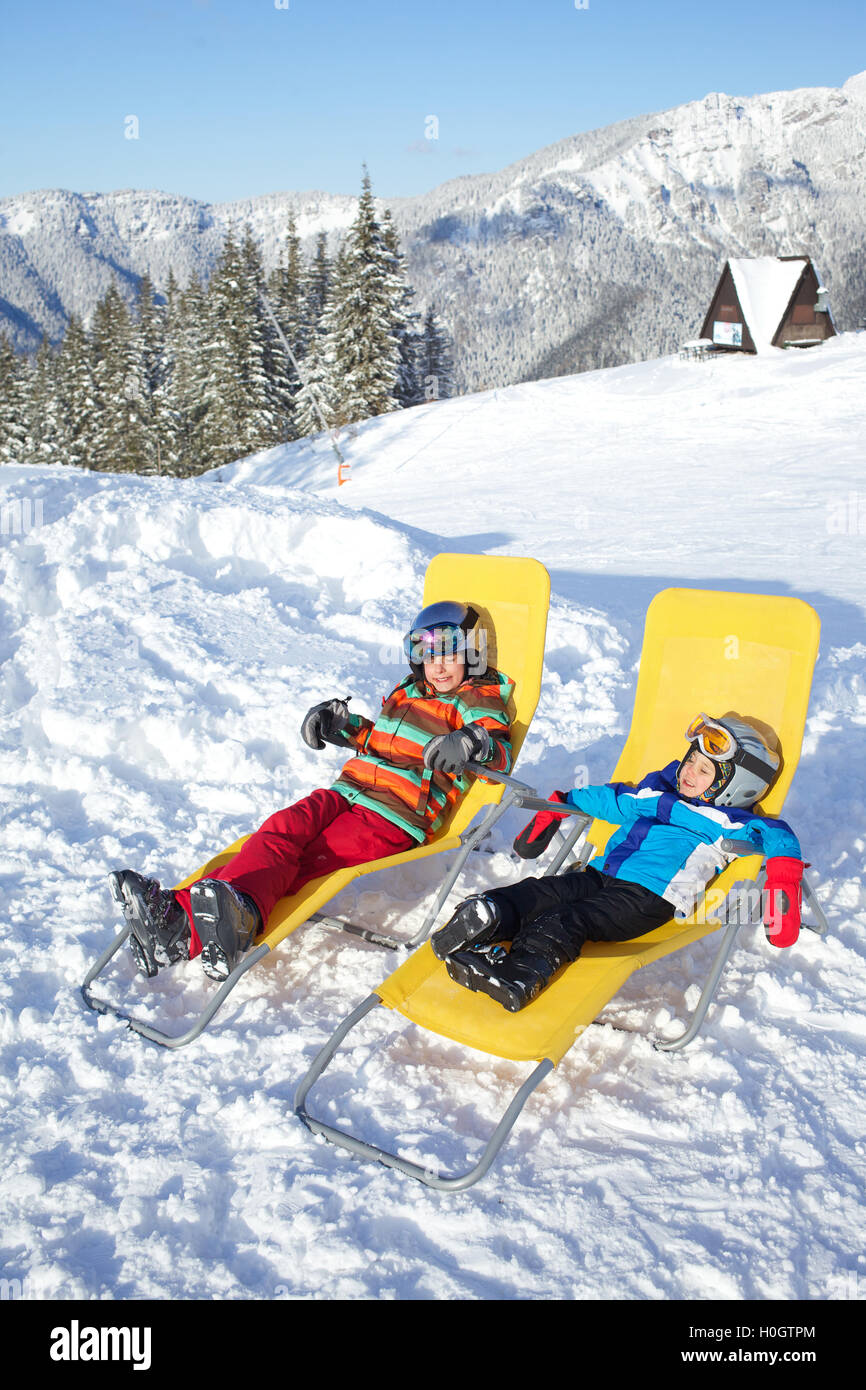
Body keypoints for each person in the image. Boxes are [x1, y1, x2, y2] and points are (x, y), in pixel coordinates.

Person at [109, 600, 513, 982]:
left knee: (302, 860)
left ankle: (234, 916)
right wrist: (343, 725)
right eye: (428, 655)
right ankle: (177, 918)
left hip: (393, 814)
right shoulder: (407, 691)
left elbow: (498, 754)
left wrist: (470, 742)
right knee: (278, 830)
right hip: (347, 791)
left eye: (450, 654)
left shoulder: (477, 700)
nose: (438, 666)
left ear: (471, 653)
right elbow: (380, 742)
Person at [432, 712, 805, 1013]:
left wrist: (782, 885)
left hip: (648, 898)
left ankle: (521, 974)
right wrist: (562, 802)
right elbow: (611, 800)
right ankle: (489, 915)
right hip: (600, 874)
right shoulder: (655, 792)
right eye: (691, 759)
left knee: (568, 919)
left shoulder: (732, 821)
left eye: (704, 770)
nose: (689, 771)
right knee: (542, 891)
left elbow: (781, 840)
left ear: (735, 787)